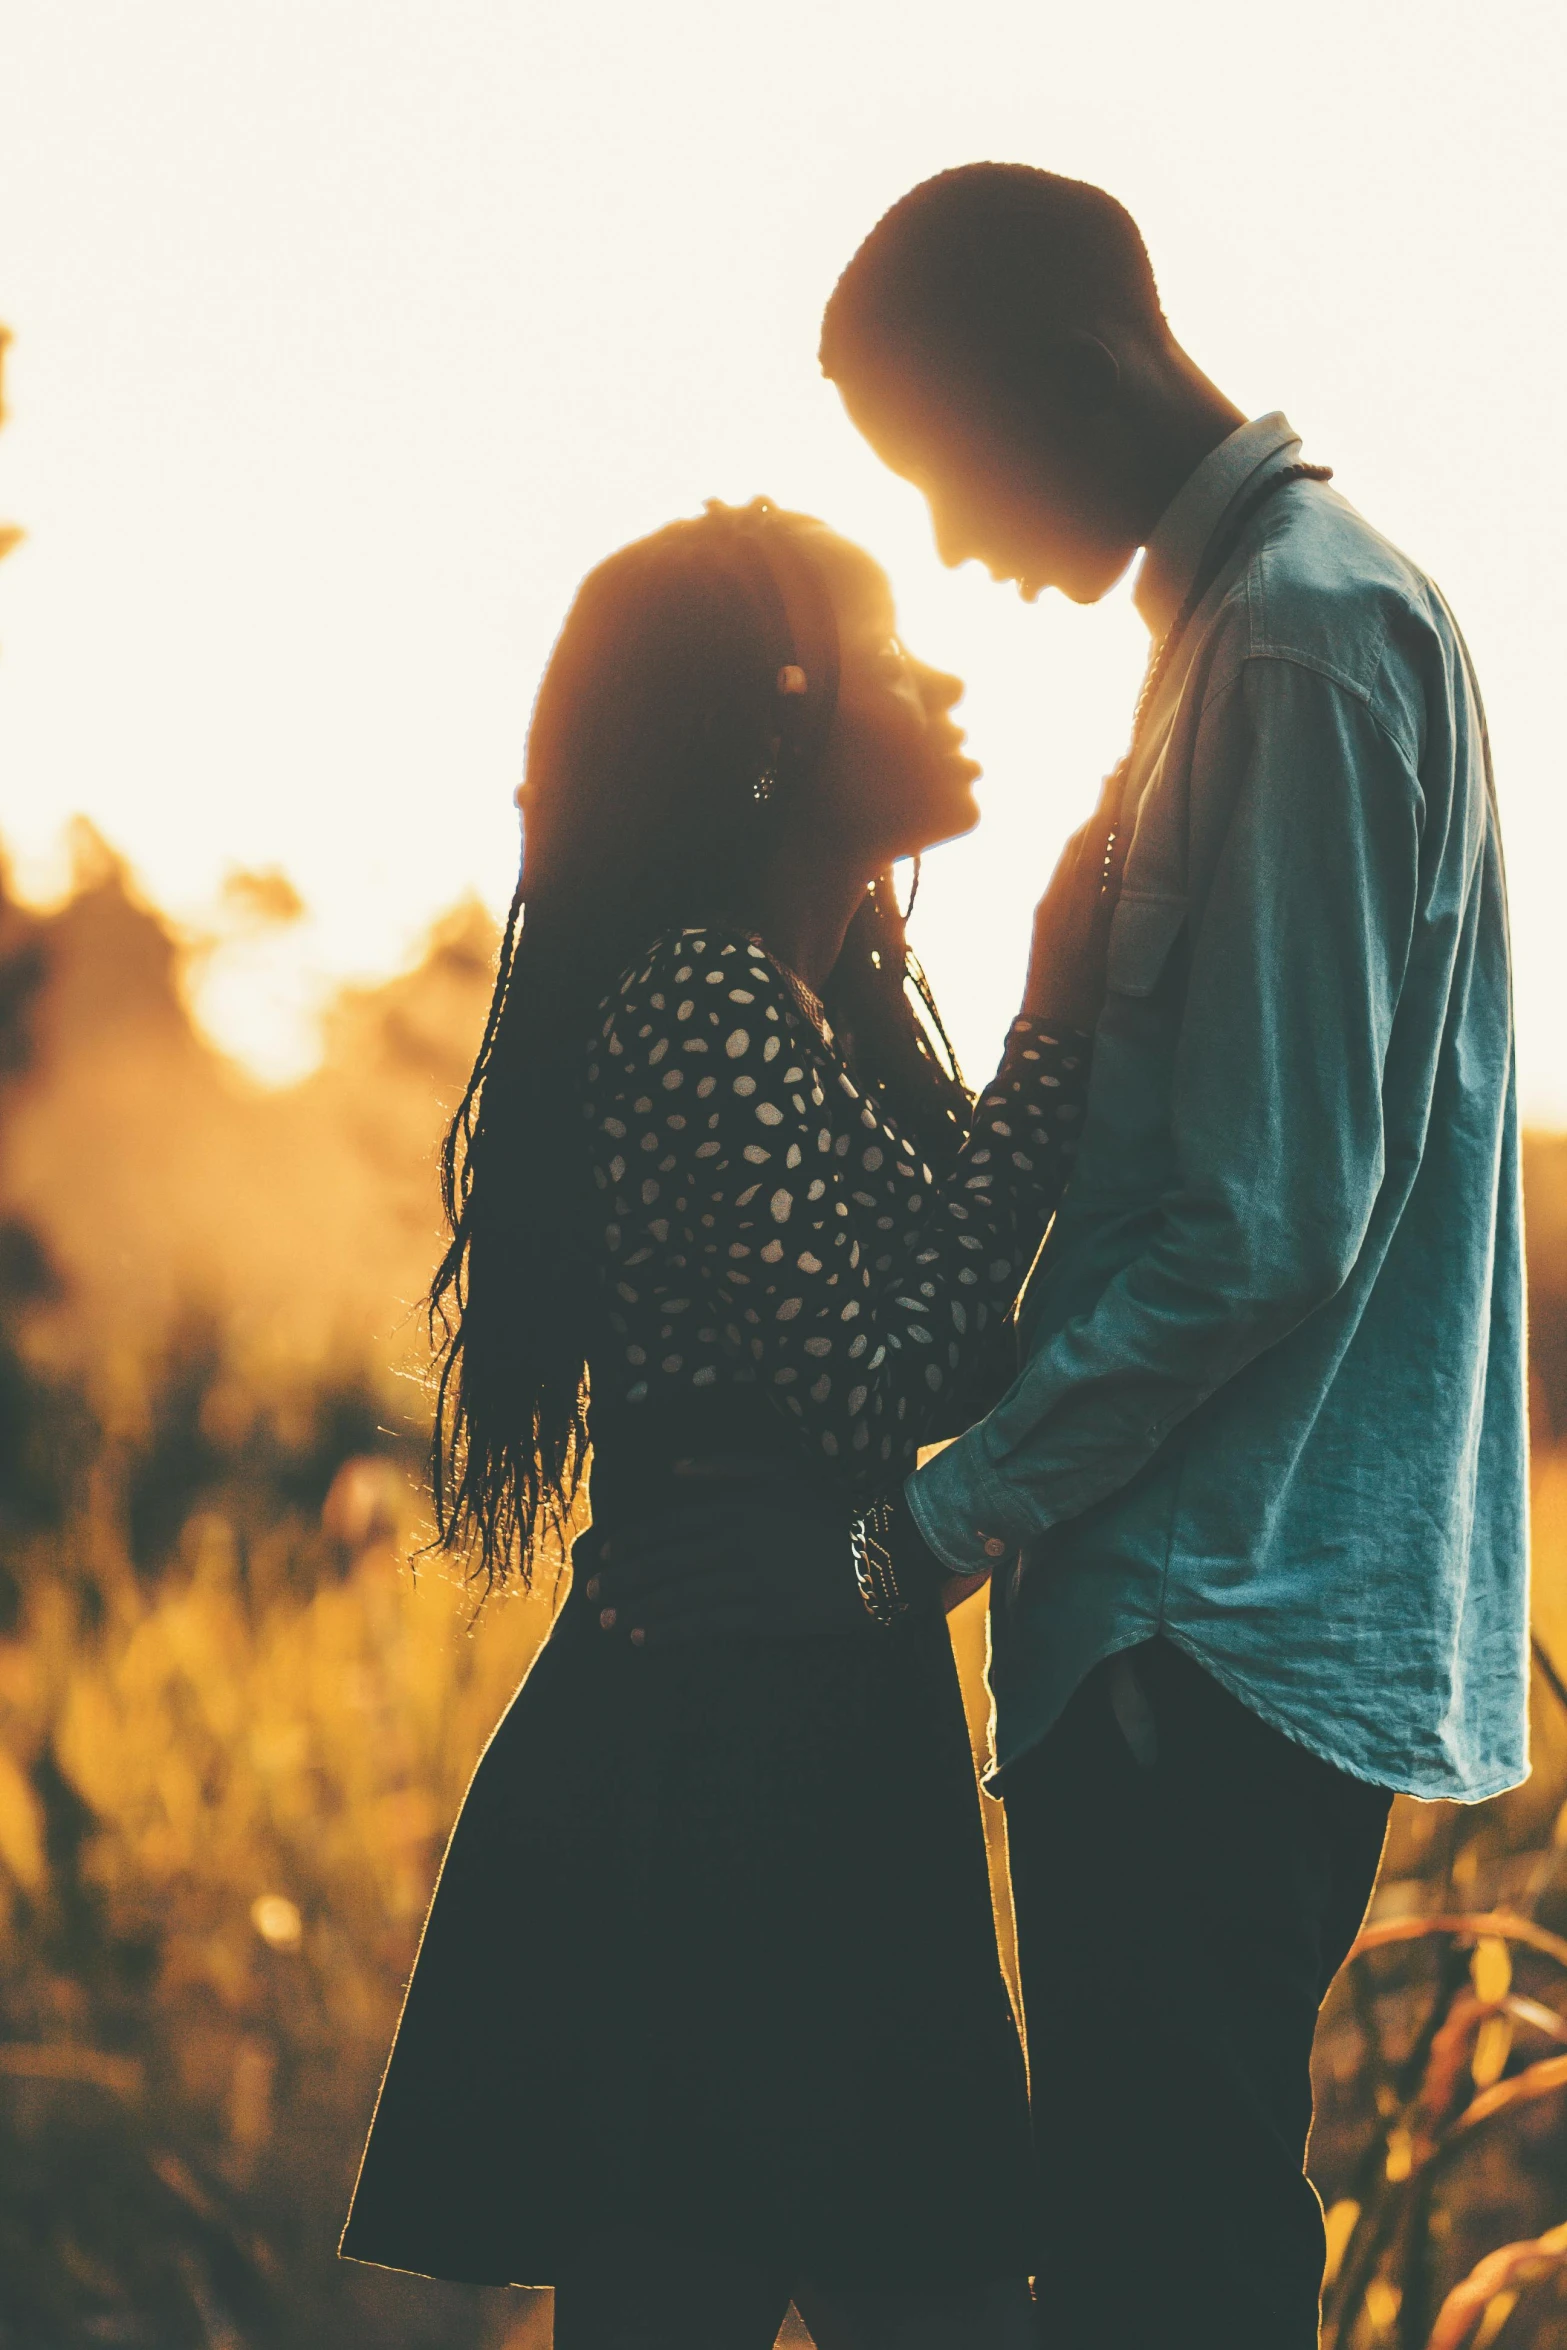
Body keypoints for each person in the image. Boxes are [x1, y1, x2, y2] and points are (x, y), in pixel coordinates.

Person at [595, 171, 1530, 2349]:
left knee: (1162, 2263)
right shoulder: (1248, 640)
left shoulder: (1297, 639)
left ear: (1073, 370)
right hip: (1187, 1621)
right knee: (1136, 2243)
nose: (943, 549)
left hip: (1208, 1628)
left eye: (940, 467)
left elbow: (1260, 1222)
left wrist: (906, 1541)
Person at [339, 495, 1113, 2349]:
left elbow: (925, 1316)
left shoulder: (792, 1006)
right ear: (774, 727)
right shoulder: (699, 993)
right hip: (725, 1749)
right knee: (817, 2286)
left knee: (797, 2284)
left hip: (784, 1700)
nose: (941, 679)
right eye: (891, 652)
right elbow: (878, 1373)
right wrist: (1060, 1033)